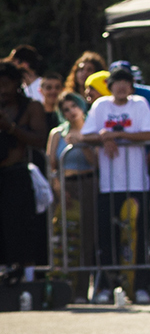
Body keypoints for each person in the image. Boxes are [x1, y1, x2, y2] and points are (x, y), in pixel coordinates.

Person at [79, 64, 150, 301]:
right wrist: (103, 136)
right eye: (116, 82)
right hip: (110, 184)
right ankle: (108, 286)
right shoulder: (101, 106)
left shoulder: (139, 105)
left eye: (126, 82)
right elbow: (85, 135)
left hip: (137, 181)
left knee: (140, 234)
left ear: (132, 85)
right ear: (109, 86)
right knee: (107, 235)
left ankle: (140, 285)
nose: (121, 86)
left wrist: (116, 135)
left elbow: (149, 133)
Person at [0, 61, 51, 282]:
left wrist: (10, 128)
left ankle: (29, 279)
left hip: (17, 175)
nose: (2, 90)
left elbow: (40, 140)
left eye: (5, 84)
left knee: (22, 228)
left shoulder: (31, 107)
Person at [46, 91, 97, 275]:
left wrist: (82, 145)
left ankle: (82, 287)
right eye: (66, 109)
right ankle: (63, 282)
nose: (71, 112)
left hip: (88, 183)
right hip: (64, 186)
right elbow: (51, 166)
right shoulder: (57, 134)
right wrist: (58, 189)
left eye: (74, 106)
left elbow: (95, 163)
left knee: (87, 236)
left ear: (81, 106)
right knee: (64, 236)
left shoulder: (91, 132)